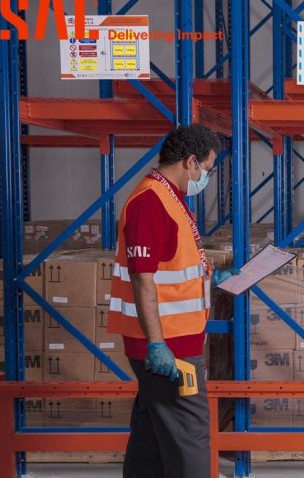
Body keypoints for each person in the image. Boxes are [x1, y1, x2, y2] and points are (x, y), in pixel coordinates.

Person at [108, 125, 232, 477]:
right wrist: (157, 344)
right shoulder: (151, 202)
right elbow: (142, 277)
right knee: (189, 431)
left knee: (152, 429)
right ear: (190, 161)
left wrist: (210, 278)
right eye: (206, 169)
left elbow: (172, 265)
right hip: (168, 346)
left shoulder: (170, 197)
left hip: (174, 338)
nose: (205, 177)